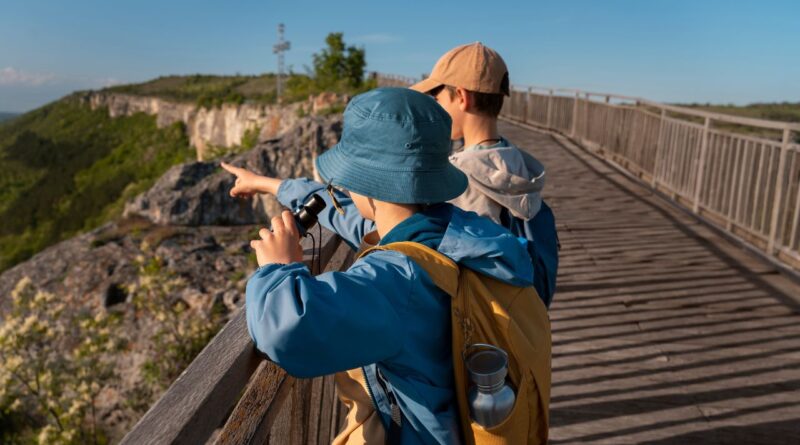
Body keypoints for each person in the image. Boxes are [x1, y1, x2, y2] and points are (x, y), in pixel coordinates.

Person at [222, 88, 539, 444]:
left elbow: (286, 330)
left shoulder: (395, 280)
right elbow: (357, 221)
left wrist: (279, 268)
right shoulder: (453, 232)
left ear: (366, 186)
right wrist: (271, 185)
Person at [410, 42, 559, 307]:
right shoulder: (517, 163)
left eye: (438, 98)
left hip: (482, 324)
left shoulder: (458, 178)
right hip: (520, 315)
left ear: (462, 97)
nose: (436, 106)